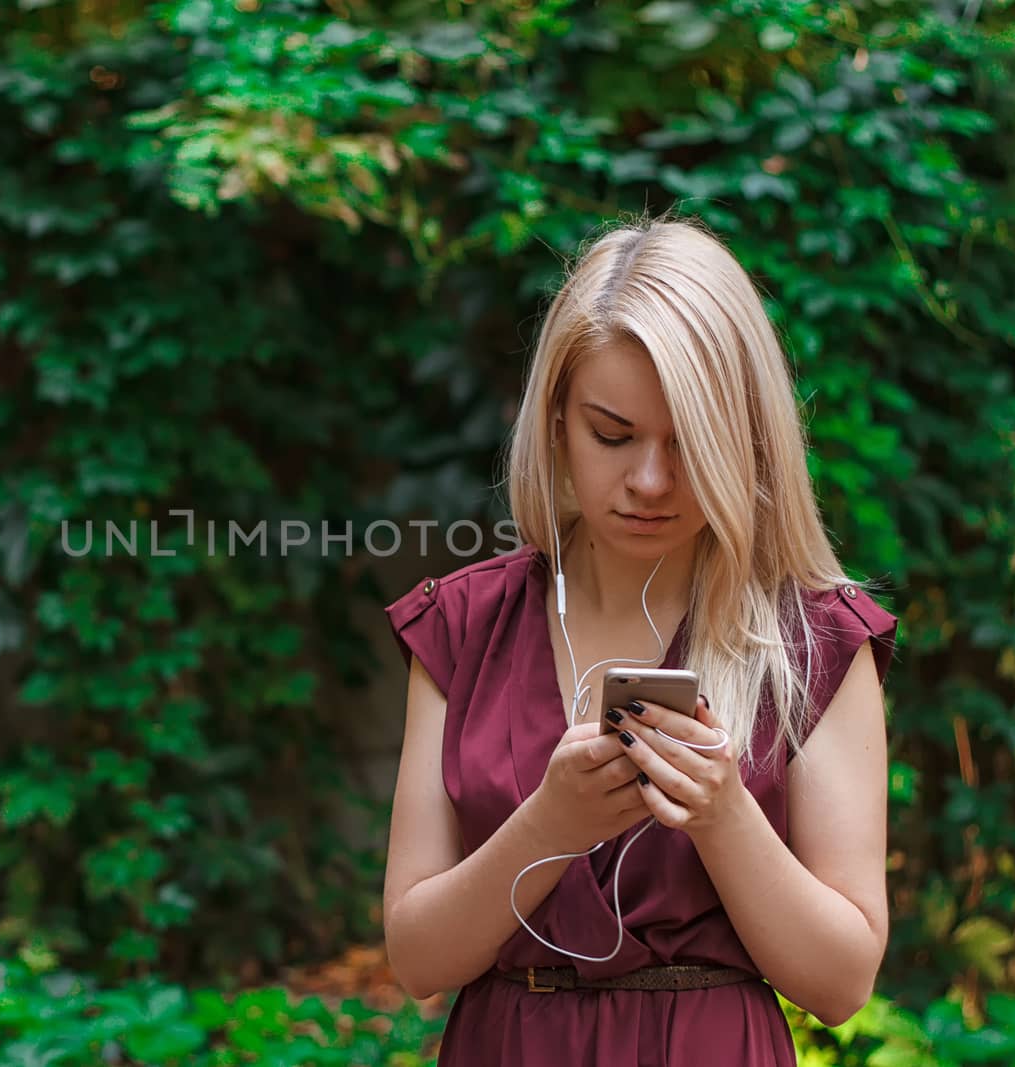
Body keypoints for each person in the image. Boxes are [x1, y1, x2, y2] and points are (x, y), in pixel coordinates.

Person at [381, 216, 899, 1065]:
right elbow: (418, 962)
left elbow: (841, 986)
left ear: (747, 438)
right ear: (554, 421)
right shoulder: (462, 626)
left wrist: (724, 815)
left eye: (689, 443)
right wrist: (550, 821)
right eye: (612, 435)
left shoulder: (812, 641)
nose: (650, 481)